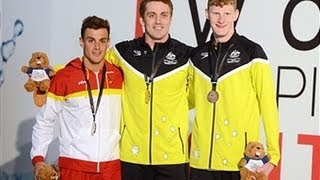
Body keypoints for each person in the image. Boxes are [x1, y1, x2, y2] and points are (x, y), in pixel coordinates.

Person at [188, 0, 280, 179]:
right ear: (207, 14)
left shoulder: (253, 53)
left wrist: (274, 156)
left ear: (236, 15)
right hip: (202, 161)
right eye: (216, 13)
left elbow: (268, 104)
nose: (221, 19)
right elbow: (186, 100)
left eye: (227, 14)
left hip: (240, 162)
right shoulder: (196, 56)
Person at [105, 0, 192, 179]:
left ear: (171, 18)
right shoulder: (123, 52)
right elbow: (91, 67)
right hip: (132, 155)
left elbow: (200, 94)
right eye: (152, 15)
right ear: (142, 19)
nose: (158, 21)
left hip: (172, 156)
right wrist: (52, 73)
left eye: (164, 15)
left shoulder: (186, 55)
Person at [30, 15, 123, 180]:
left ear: (108, 43)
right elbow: (45, 120)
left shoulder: (118, 75)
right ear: (81, 41)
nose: (97, 47)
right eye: (91, 40)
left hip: (112, 170)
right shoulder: (65, 77)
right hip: (74, 169)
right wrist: (38, 158)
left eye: (102, 41)